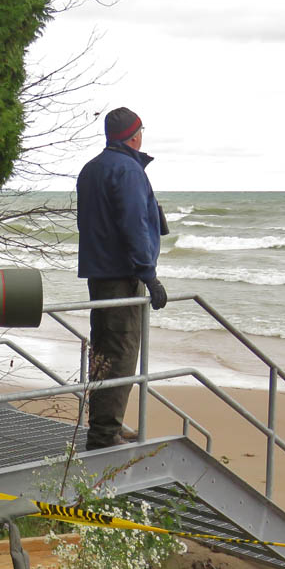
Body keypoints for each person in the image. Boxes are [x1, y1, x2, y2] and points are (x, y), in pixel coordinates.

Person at [76, 107, 168, 450]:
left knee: (103, 350)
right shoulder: (127, 170)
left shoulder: (91, 169)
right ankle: (103, 434)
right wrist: (149, 274)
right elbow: (134, 226)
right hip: (121, 274)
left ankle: (105, 425)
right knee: (122, 353)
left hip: (99, 272)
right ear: (135, 134)